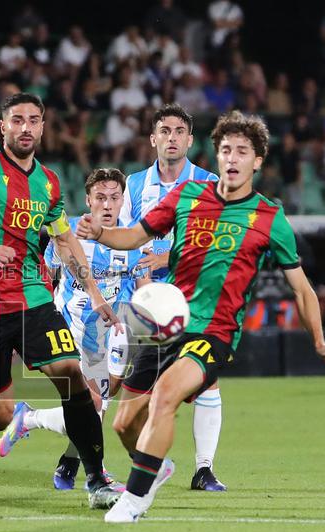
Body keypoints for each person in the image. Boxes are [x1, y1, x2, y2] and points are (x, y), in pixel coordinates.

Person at [76, 111, 325, 523]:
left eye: (242, 151)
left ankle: (135, 499)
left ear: (258, 161)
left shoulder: (269, 217)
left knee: (165, 396)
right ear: (216, 156)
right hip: (163, 323)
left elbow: (302, 289)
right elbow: (135, 236)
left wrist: (319, 341)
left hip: (213, 332)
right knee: (124, 423)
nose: (232, 158)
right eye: (225, 150)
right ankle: (157, 466)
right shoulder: (187, 196)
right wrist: (101, 234)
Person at [0, 92, 122, 509]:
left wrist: (96, 294)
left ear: (43, 127)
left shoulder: (48, 182)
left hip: (33, 296)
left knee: (71, 374)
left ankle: (96, 481)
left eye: (34, 120)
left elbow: (64, 238)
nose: (26, 127)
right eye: (17, 120)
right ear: (3, 126)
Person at [0, 167, 141, 493]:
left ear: (122, 201)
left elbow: (136, 286)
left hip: (104, 337)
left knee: (99, 406)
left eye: (114, 198)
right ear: (88, 200)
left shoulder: (130, 240)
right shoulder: (69, 234)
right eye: (100, 198)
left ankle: (45, 437)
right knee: (91, 406)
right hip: (67, 330)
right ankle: (97, 475)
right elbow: (42, 277)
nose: (107, 205)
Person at [115, 104, 227, 492]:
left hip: (194, 301)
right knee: (123, 398)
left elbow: (214, 243)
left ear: (190, 140)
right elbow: (126, 237)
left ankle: (204, 468)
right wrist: (142, 274)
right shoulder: (132, 185)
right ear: (153, 139)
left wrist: (166, 258)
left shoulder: (210, 184)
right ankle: (93, 462)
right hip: (145, 303)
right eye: (165, 130)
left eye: (180, 131)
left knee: (206, 383)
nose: (172, 137)